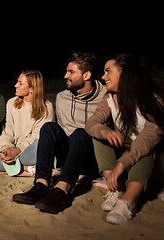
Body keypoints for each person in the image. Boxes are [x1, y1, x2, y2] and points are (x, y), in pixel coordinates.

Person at [13, 52, 106, 213]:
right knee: (48, 127)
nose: (65, 76)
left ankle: (61, 191)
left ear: (87, 75)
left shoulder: (105, 96)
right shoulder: (62, 97)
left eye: (71, 72)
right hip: (69, 154)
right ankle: (41, 185)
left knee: (80, 133)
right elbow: (61, 133)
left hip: (91, 157)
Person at [85, 54, 164, 224]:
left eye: (108, 72)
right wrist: (105, 131)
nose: (103, 77)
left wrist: (121, 163)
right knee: (99, 136)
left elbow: (148, 138)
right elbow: (92, 123)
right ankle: (115, 188)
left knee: (144, 147)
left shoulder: (152, 99)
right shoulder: (110, 98)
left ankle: (128, 201)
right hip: (128, 165)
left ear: (125, 74)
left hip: (156, 163)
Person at [0, 70, 54, 175]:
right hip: (14, 149)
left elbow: (37, 137)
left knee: (40, 146)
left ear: (32, 88)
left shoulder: (46, 107)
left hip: (29, 150)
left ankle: (0, 165)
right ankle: (25, 168)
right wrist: (6, 150)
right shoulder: (12, 103)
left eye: (20, 83)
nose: (16, 85)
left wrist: (16, 151)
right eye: (17, 82)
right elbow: (8, 131)